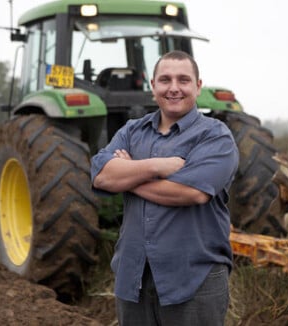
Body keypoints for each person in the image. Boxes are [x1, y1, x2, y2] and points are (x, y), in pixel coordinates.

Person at [90, 50, 239, 326]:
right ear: (153, 86)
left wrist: (130, 176)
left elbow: (191, 192)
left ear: (198, 86)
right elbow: (101, 176)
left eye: (183, 80)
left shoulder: (215, 136)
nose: (173, 88)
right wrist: (157, 166)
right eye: (165, 80)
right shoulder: (131, 131)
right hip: (133, 279)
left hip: (193, 279)